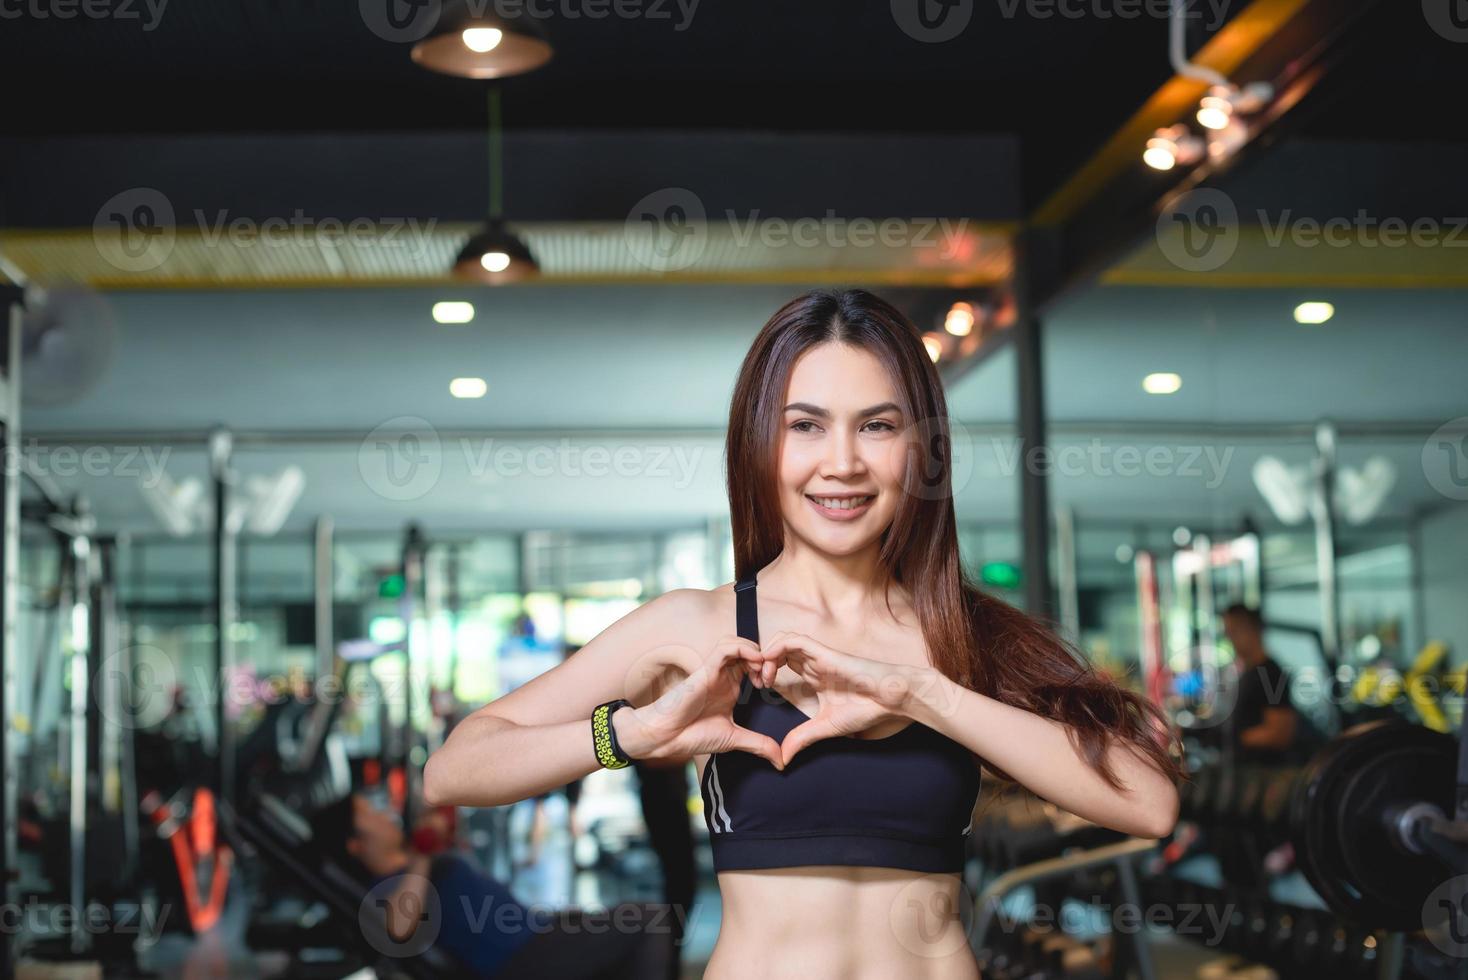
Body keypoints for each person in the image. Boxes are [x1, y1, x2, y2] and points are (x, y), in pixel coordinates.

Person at [423, 288, 1185, 978]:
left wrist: (923, 694)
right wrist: (628, 733)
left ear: (919, 448)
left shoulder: (961, 635)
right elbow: (455, 769)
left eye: (877, 426)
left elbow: (1148, 804)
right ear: (762, 443)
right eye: (806, 427)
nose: (843, 463)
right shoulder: (698, 624)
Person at [308, 792, 671, 979]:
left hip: (535, 932)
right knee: (650, 921)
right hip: (518, 959)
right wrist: (422, 853)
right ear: (354, 844)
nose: (382, 813)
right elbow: (399, 929)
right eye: (368, 813)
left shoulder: (411, 868)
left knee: (628, 927)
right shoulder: (384, 887)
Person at [1220, 603, 1297, 765]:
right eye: (1228, 633)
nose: (1230, 639)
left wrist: (1233, 736)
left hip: (1265, 775)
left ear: (1252, 630)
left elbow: (1280, 733)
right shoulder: (1247, 674)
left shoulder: (1270, 673)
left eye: (1234, 632)